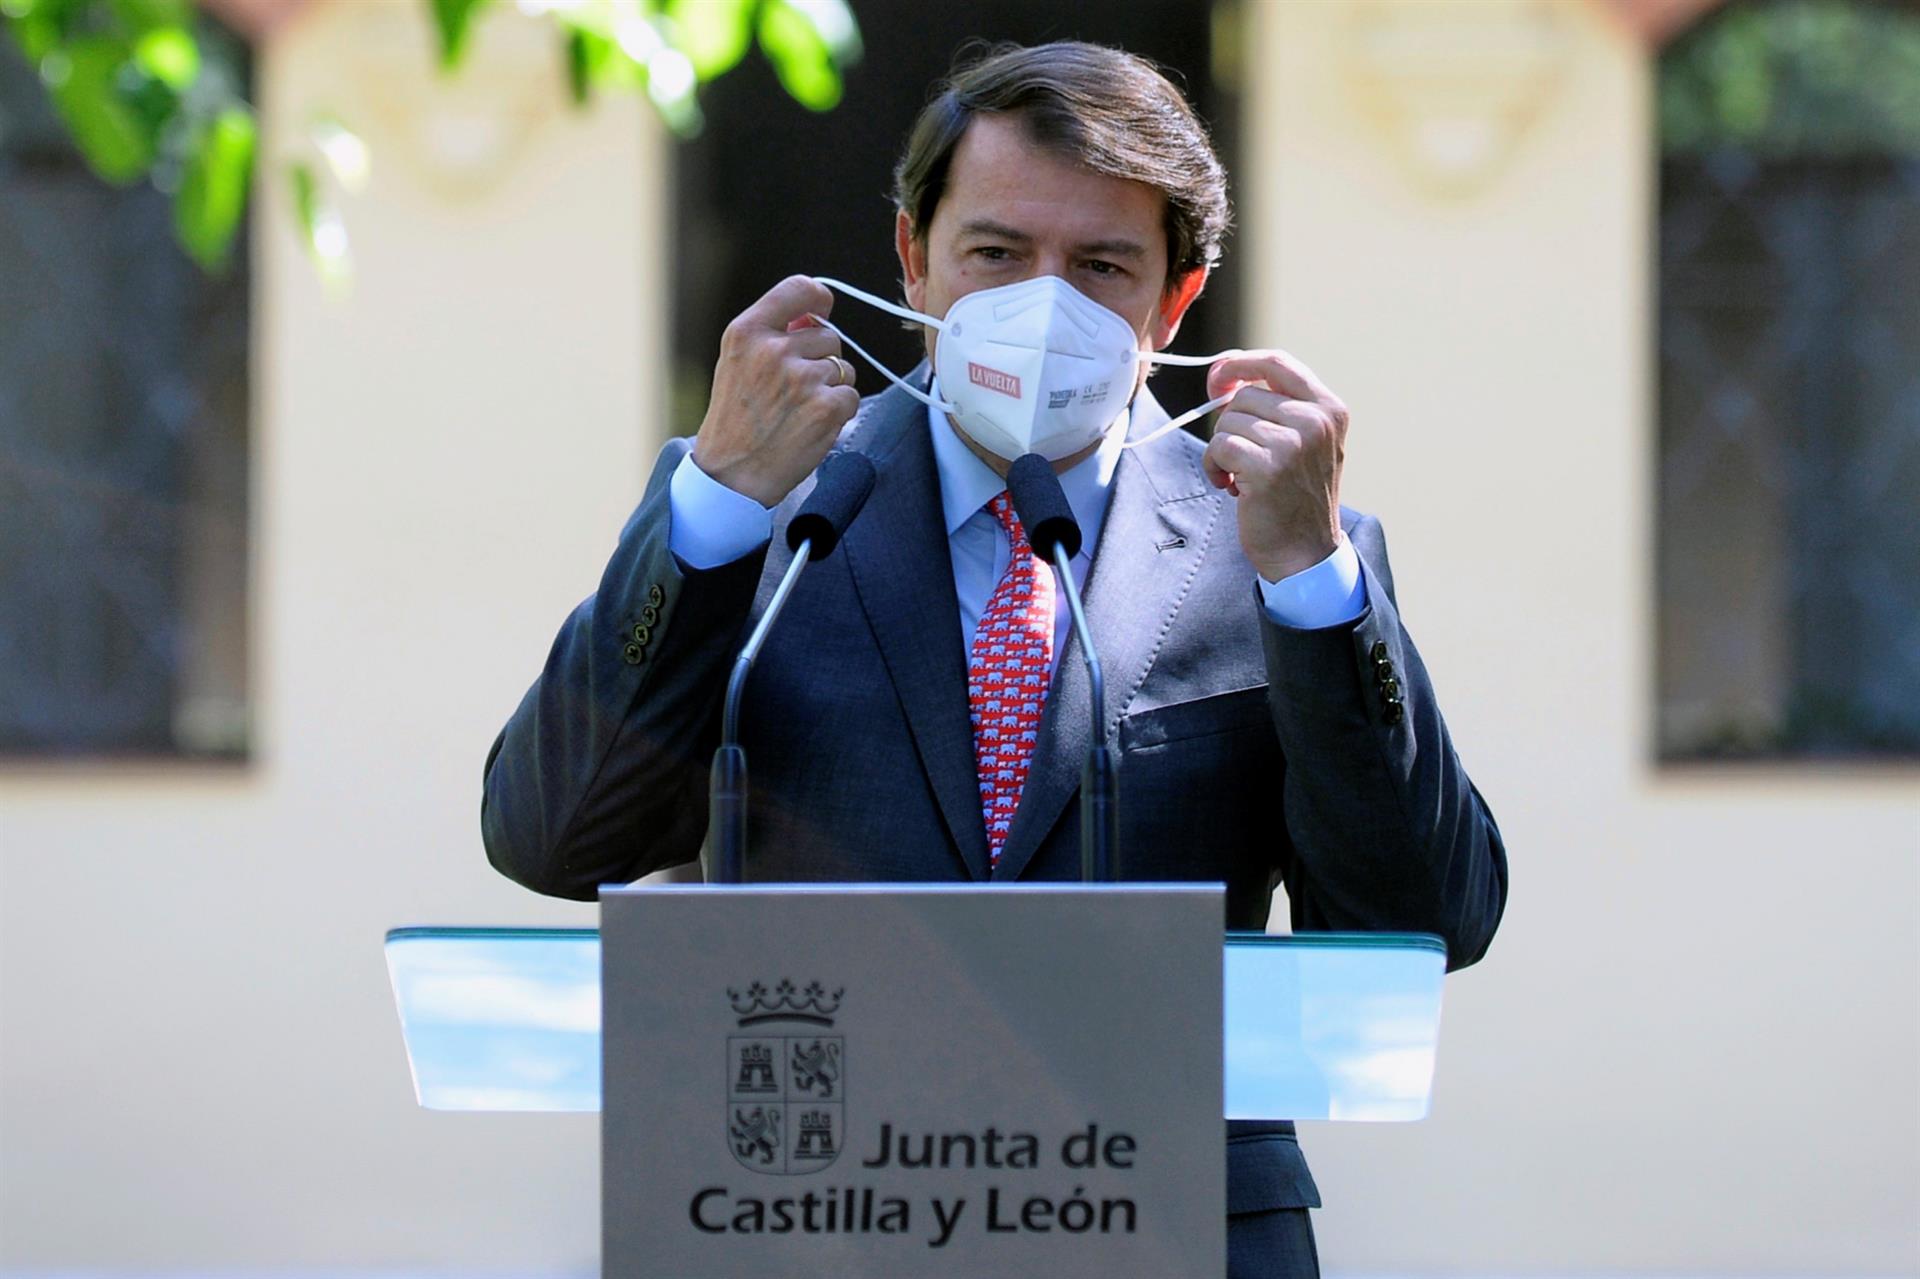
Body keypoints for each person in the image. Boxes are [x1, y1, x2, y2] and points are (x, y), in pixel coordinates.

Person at [482, 40, 1507, 1278]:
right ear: (915, 261)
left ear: (1175, 302)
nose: (1044, 300)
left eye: (1101, 266)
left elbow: (1423, 919)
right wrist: (715, 505)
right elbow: (552, 836)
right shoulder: (773, 504)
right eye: (998, 254)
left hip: (1174, 1225)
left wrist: (1314, 583)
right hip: (804, 1216)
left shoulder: (1274, 538)